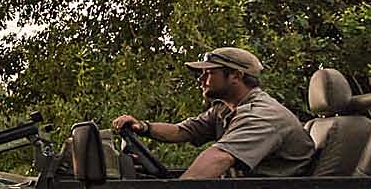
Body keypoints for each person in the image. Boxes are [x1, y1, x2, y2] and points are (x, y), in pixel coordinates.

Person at [112, 46, 314, 179]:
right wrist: (144, 127)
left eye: (209, 73)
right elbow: (183, 131)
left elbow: (219, 157)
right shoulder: (226, 108)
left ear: (235, 76)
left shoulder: (261, 116)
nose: (201, 80)